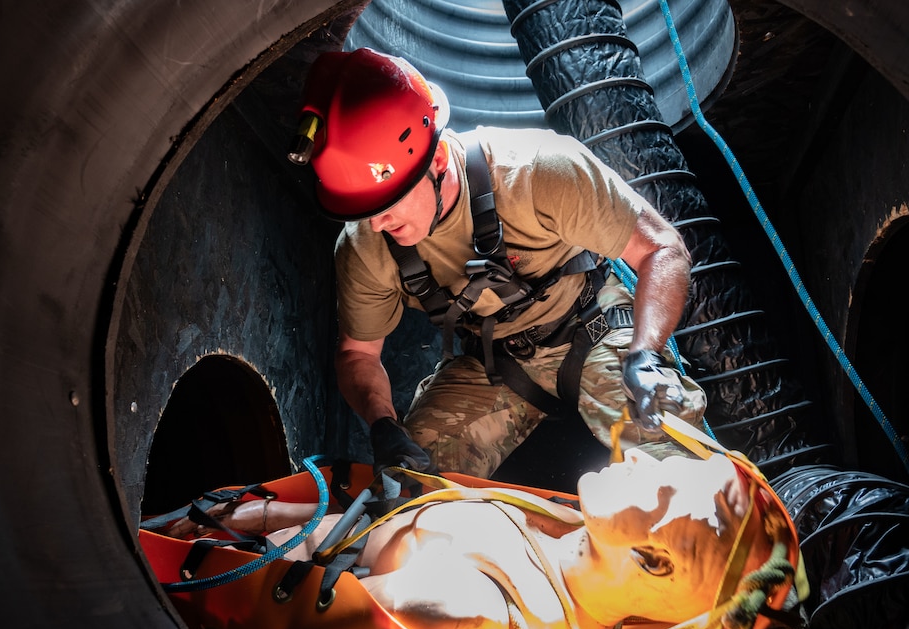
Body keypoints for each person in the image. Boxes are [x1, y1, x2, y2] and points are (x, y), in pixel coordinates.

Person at [288, 48, 707, 479]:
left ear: (436, 161)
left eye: (388, 203)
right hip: (488, 364)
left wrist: (645, 355)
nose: (376, 223)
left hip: (591, 327)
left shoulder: (538, 171)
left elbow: (662, 249)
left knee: (676, 466)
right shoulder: (365, 245)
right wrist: (383, 426)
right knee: (409, 490)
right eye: (363, 210)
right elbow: (358, 353)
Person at [161, 449, 789, 629]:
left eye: (663, 484)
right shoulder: (561, 532)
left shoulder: (471, 615)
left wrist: (237, 529)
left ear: (653, 561)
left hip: (193, 592)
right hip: (262, 524)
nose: (643, 457)